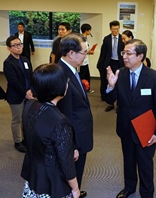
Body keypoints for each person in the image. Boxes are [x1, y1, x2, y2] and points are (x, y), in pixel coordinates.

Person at [106, 39, 156, 198]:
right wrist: (111, 86)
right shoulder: (121, 73)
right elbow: (110, 99)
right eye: (123, 53)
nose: (124, 56)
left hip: (145, 128)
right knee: (128, 161)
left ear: (140, 56)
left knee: (145, 164)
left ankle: (147, 193)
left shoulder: (154, 78)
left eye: (128, 53)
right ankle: (129, 188)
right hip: (125, 126)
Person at [21, 63, 80, 198]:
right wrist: (75, 188)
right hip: (51, 183)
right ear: (58, 87)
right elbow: (66, 162)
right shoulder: (60, 121)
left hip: (33, 176)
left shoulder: (30, 105)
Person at [57, 33, 94, 198]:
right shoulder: (62, 75)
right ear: (71, 53)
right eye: (84, 52)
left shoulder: (71, 70)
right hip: (74, 139)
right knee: (71, 174)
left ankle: (75, 191)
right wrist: (72, 145)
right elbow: (65, 116)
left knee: (76, 174)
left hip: (80, 133)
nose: (86, 56)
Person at [3, 36, 34, 153]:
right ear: (9, 48)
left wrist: (31, 89)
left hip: (28, 93)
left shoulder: (25, 59)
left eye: (20, 44)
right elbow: (13, 81)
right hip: (16, 96)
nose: (18, 47)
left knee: (26, 118)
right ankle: (18, 141)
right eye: (15, 45)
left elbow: (30, 75)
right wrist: (25, 93)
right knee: (17, 119)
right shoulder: (8, 62)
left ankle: (26, 139)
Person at [97, 20, 124, 112]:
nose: (115, 31)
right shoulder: (107, 39)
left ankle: (119, 104)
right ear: (110, 29)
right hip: (110, 62)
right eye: (113, 29)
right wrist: (101, 64)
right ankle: (110, 103)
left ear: (119, 28)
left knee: (120, 83)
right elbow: (103, 53)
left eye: (117, 29)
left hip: (120, 63)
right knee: (109, 82)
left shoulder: (122, 39)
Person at [80, 23, 94, 93]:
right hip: (82, 61)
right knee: (83, 75)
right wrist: (88, 52)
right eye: (89, 30)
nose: (90, 32)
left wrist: (89, 51)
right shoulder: (81, 39)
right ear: (86, 31)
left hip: (85, 60)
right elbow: (80, 50)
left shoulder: (85, 38)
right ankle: (84, 89)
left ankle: (87, 88)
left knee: (87, 75)